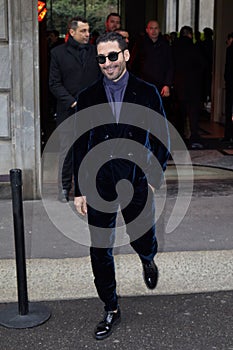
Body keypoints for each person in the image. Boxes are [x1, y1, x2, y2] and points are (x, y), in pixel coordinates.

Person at [73, 32, 170, 340]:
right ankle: (110, 306)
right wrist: (78, 189)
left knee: (142, 235)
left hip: (136, 175)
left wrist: (152, 178)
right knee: (100, 247)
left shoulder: (147, 91)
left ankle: (147, 258)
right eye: (101, 58)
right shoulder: (88, 96)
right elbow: (79, 143)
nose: (107, 63)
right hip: (99, 180)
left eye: (112, 56)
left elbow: (160, 137)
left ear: (126, 56)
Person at [49, 16, 101, 202]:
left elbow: (103, 79)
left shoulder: (95, 52)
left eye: (88, 30)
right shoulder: (58, 53)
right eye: (83, 31)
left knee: (93, 149)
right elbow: (54, 84)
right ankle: (64, 188)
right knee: (68, 151)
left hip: (93, 110)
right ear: (72, 32)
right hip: (68, 111)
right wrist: (73, 102)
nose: (88, 34)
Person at [129, 20, 173, 121]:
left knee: (159, 114)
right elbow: (132, 64)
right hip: (143, 83)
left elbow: (170, 66)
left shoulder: (165, 45)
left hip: (160, 85)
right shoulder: (140, 44)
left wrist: (167, 84)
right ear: (147, 30)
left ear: (159, 30)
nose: (154, 31)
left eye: (156, 28)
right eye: (151, 28)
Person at [172, 25, 206, 149]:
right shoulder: (194, 48)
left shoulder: (174, 48)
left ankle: (179, 138)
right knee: (193, 114)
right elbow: (202, 65)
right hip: (193, 85)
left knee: (179, 113)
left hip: (178, 84)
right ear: (190, 35)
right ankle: (194, 137)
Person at [222, 31, 233, 143]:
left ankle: (228, 135)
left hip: (231, 85)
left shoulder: (230, 50)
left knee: (229, 110)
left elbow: (228, 69)